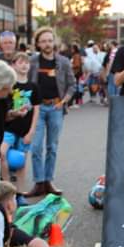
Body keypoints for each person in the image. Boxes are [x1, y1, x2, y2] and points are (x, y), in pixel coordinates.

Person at [28, 28, 76, 196]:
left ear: (54, 42)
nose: (47, 44)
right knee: (35, 147)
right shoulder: (32, 61)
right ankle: (38, 182)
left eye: (49, 40)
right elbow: (27, 84)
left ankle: (49, 181)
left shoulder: (63, 62)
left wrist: (64, 101)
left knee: (52, 147)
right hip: (38, 109)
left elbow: (72, 84)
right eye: (43, 41)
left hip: (56, 107)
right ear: (38, 43)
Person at [5, 52, 39, 185]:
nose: (24, 65)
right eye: (20, 62)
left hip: (25, 129)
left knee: (22, 160)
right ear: (13, 66)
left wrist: (31, 132)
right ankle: (6, 188)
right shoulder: (10, 86)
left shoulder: (34, 87)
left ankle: (20, 193)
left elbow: (36, 110)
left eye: (26, 62)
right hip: (9, 128)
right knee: (2, 153)